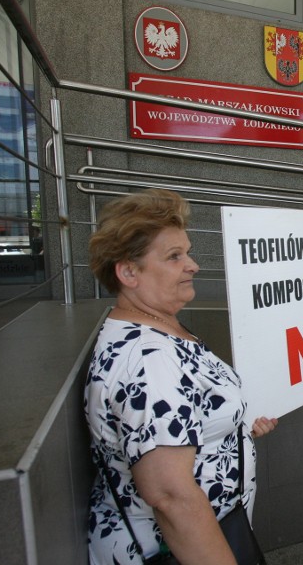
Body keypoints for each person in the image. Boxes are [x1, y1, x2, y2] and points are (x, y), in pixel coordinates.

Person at [85, 189, 278, 564]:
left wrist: (236, 429)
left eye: (187, 252)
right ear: (128, 272)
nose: (193, 265)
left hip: (215, 528)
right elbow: (170, 497)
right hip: (169, 550)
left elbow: (180, 421)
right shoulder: (147, 358)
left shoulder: (157, 325)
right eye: (174, 257)